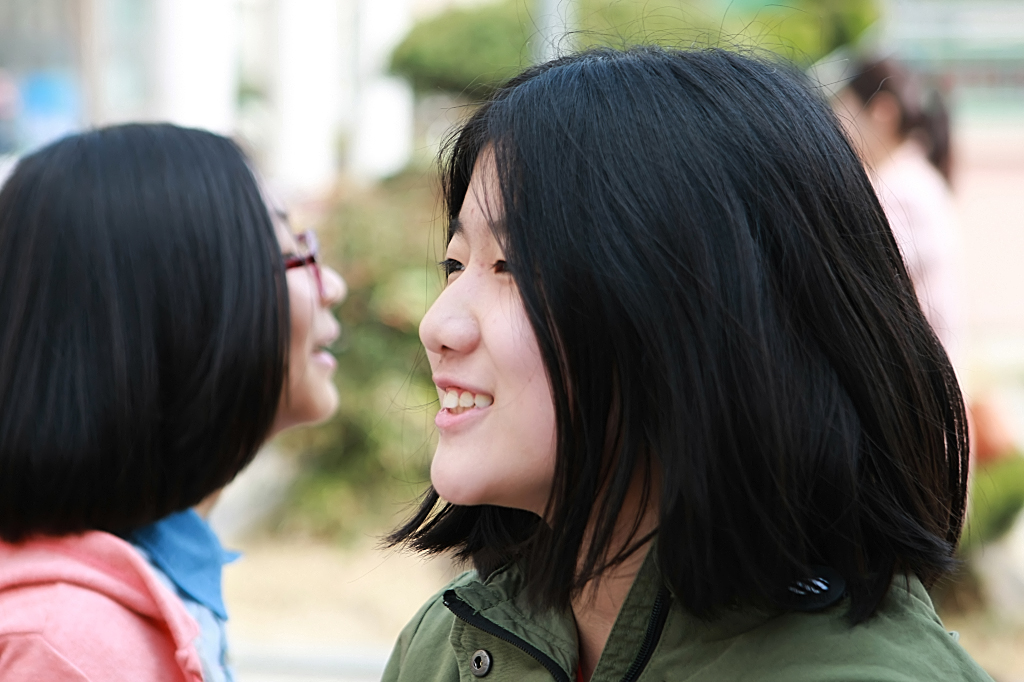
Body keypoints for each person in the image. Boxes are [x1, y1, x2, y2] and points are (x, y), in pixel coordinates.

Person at [382, 47, 992, 682]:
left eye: (509, 266)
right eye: (455, 264)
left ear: (698, 312)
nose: (438, 326)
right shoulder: (444, 647)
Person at [0, 123, 345, 681]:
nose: (331, 284)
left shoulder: (127, 599)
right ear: (183, 313)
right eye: (290, 252)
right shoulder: (66, 648)